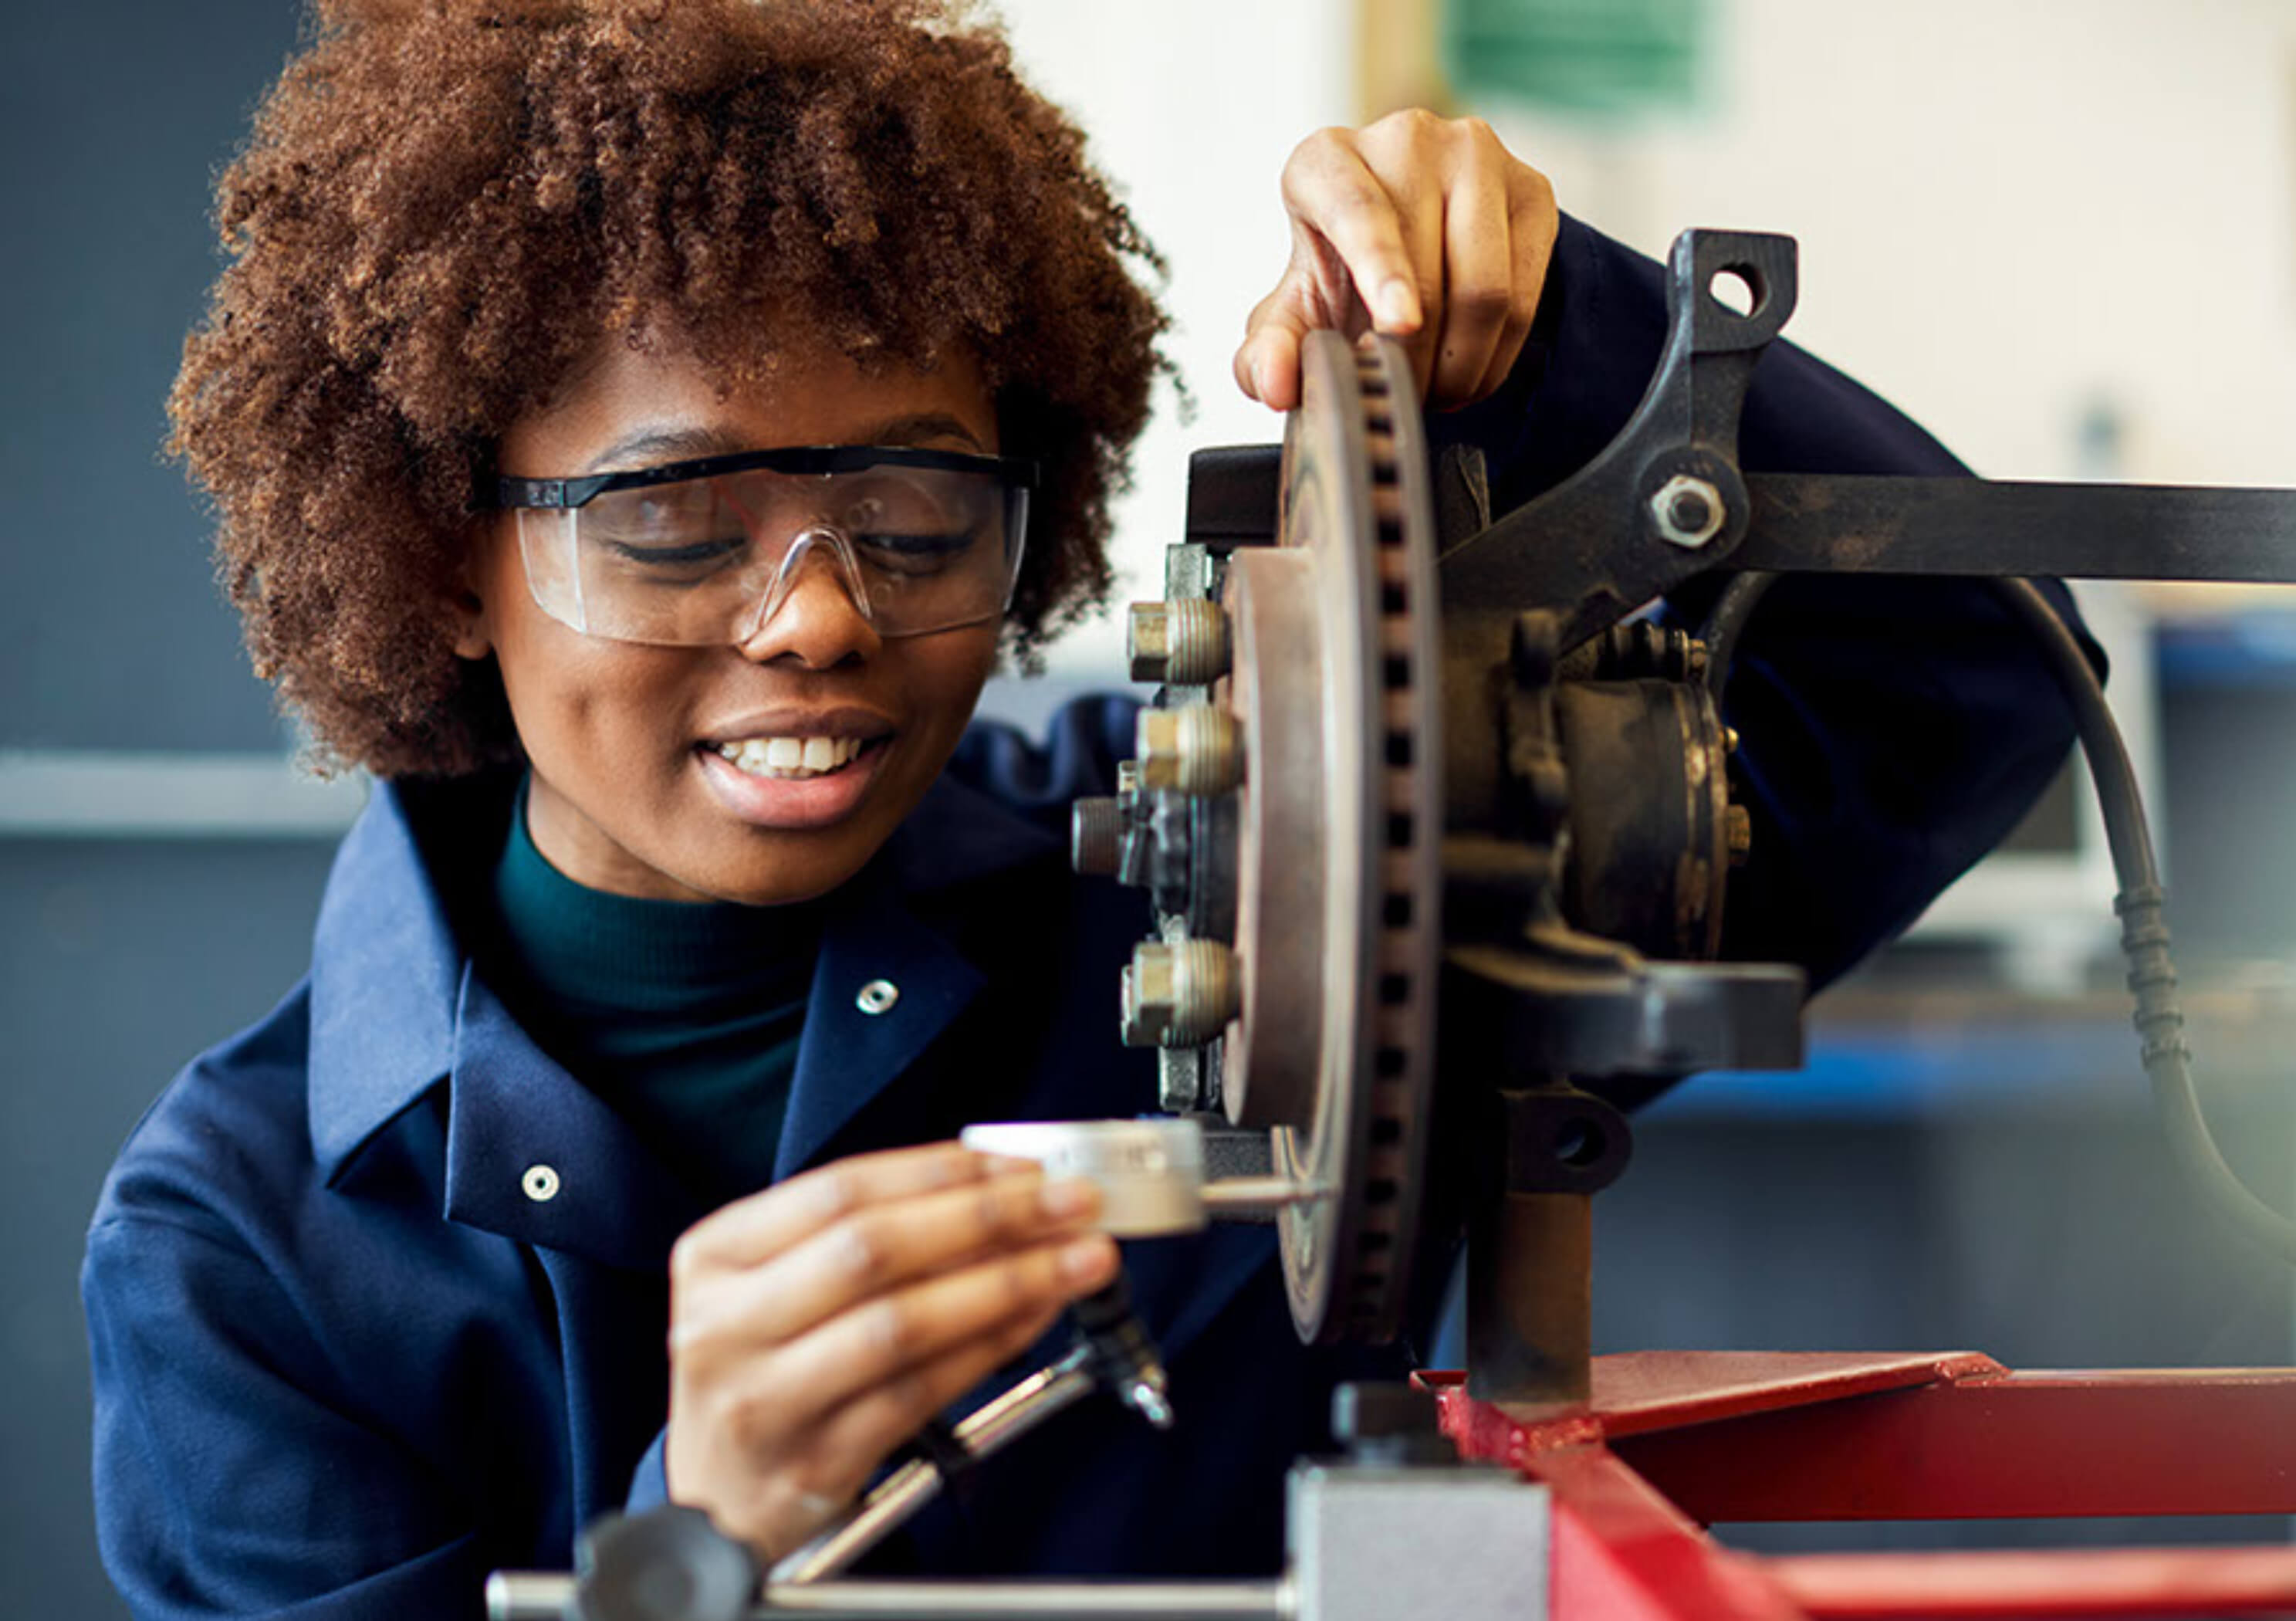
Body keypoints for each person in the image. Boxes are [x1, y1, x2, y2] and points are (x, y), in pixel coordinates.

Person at [82, 1, 2092, 1614]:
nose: (818, 617)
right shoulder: (235, 1250)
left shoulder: (1250, 890)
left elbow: (1968, 687)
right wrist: (686, 1544)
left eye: (914, 510)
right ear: (444, 555)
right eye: (678, 519)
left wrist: (1562, 326)